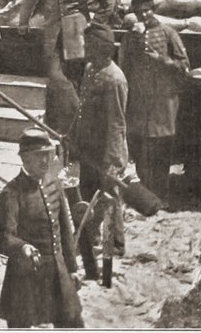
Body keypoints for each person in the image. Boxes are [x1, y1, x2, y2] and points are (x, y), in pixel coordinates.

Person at [0, 128, 84, 328]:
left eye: (48, 155)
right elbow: (3, 237)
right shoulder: (11, 193)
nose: (45, 161)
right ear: (25, 159)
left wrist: (72, 268)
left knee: (73, 322)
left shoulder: (54, 184)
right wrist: (22, 247)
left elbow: (65, 230)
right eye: (39, 156)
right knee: (20, 325)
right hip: (25, 277)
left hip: (57, 272)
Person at [16, 0, 115, 102]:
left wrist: (97, 21)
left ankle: (76, 116)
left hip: (77, 32)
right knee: (53, 73)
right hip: (53, 32)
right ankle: (74, 108)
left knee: (76, 74)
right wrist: (23, 22)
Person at [69, 22, 128, 280]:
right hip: (88, 147)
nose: (85, 48)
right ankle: (90, 238)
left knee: (108, 196)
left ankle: (115, 243)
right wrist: (71, 135)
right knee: (88, 191)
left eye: (89, 44)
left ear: (103, 49)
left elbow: (117, 123)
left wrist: (112, 161)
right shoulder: (90, 69)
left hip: (106, 149)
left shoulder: (115, 79)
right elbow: (82, 109)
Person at [122, 0, 189, 202]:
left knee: (161, 147)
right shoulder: (130, 38)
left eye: (147, 11)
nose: (143, 16)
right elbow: (124, 67)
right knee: (139, 146)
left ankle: (161, 193)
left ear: (153, 10)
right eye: (139, 12)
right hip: (140, 102)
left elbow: (184, 65)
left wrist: (161, 59)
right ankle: (147, 195)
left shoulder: (169, 33)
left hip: (164, 101)